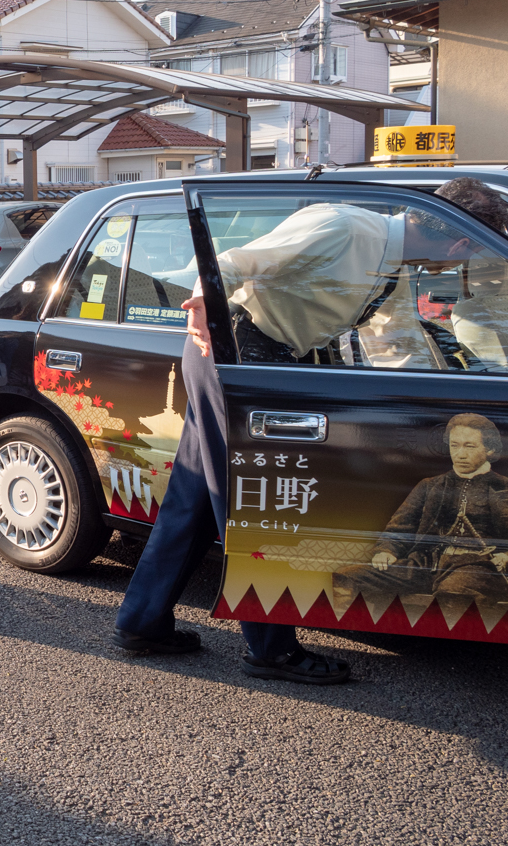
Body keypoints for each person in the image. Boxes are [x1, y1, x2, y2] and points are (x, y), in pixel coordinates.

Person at [112, 178, 508, 684]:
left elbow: (395, 343)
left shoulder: (392, 264)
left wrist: (437, 403)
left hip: (265, 360)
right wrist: (205, 304)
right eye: (469, 252)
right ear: (458, 241)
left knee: (194, 496)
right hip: (233, 352)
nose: (460, 267)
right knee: (250, 504)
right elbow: (233, 261)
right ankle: (270, 649)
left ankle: (142, 622)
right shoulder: (342, 226)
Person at [334, 413, 508, 613]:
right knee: (349, 576)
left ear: (490, 449)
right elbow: (401, 525)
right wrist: (387, 550)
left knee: (455, 592)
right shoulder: (430, 486)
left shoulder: (503, 488)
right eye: (454, 445)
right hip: (426, 562)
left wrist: (506, 555)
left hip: (477, 566)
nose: (460, 454)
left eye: (469, 446)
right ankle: (354, 630)